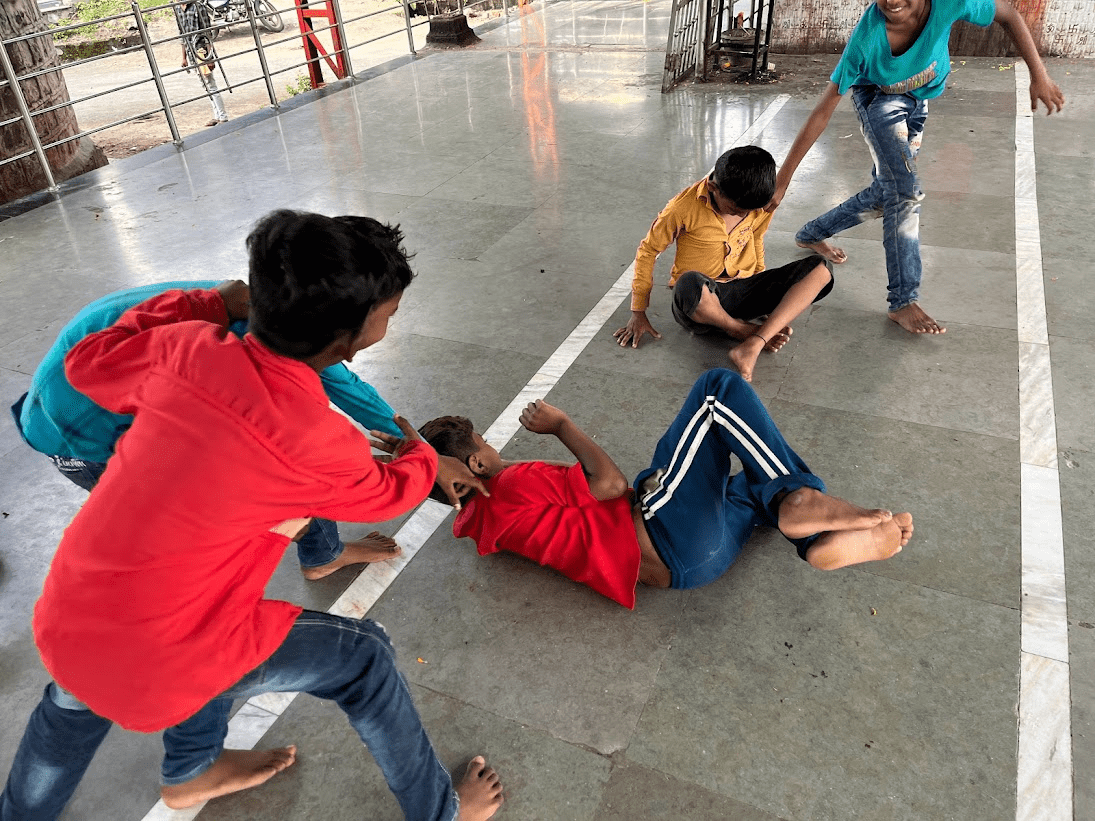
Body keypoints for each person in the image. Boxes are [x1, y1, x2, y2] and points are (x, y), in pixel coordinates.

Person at [1, 211, 503, 821]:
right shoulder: (317, 442)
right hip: (170, 661)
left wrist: (210, 304)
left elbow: (90, 360)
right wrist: (422, 456)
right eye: (390, 313)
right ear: (349, 338)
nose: (390, 320)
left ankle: (135, 785)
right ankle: (442, 812)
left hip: (69, 617)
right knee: (363, 657)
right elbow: (390, 493)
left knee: (79, 695)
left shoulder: (183, 349)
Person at [10, 278, 411, 581]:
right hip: (83, 440)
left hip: (56, 406)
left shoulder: (252, 305)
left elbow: (339, 382)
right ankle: (321, 556)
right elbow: (333, 444)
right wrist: (421, 457)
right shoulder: (235, 354)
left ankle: (317, 549)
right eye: (388, 315)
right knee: (281, 476)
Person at [411, 369, 913, 609]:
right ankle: (798, 502)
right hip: (665, 531)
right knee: (718, 393)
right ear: (476, 462)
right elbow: (611, 485)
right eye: (485, 444)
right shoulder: (510, 482)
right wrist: (561, 425)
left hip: (692, 570)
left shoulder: (482, 523)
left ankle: (814, 539)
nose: (495, 448)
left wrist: (423, 457)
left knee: (753, 483)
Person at [767, 0, 1065, 335]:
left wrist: (1039, 75)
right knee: (905, 194)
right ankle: (903, 301)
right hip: (878, 102)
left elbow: (1009, 15)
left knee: (886, 194)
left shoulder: (951, 4)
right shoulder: (867, 40)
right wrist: (783, 178)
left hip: (916, 100)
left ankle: (812, 234)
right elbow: (822, 112)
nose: (892, 1)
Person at [613, 145, 834, 382]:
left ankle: (754, 342)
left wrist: (760, 282)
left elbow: (756, 238)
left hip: (743, 288)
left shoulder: (759, 202)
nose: (741, 216)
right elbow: (648, 251)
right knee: (688, 282)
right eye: (735, 210)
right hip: (703, 303)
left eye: (748, 212)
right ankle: (743, 330)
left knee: (821, 269)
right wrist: (638, 311)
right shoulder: (682, 208)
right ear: (713, 188)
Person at [176, 0, 229, 127]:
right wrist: (184, 57)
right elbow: (182, 34)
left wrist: (210, 57)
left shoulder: (197, 6)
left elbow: (207, 32)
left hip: (201, 50)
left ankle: (222, 116)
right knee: (205, 85)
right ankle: (217, 115)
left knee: (210, 83)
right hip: (190, 50)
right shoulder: (178, 9)